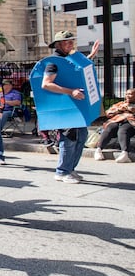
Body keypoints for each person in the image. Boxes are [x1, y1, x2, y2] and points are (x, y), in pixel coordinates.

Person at [41, 31, 91, 184]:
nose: (71, 44)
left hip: (75, 107)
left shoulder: (67, 59)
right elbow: (46, 84)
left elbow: (74, 74)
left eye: (71, 41)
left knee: (81, 136)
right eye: (67, 41)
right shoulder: (54, 62)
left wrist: (91, 57)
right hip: (65, 107)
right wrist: (71, 92)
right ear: (58, 44)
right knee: (69, 138)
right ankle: (62, 171)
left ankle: (70, 168)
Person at [94, 88, 135, 163]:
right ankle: (98, 150)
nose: (128, 96)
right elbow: (108, 113)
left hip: (131, 122)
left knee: (123, 130)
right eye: (126, 94)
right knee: (109, 128)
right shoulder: (120, 104)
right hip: (116, 120)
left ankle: (124, 153)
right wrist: (120, 109)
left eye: (130, 94)